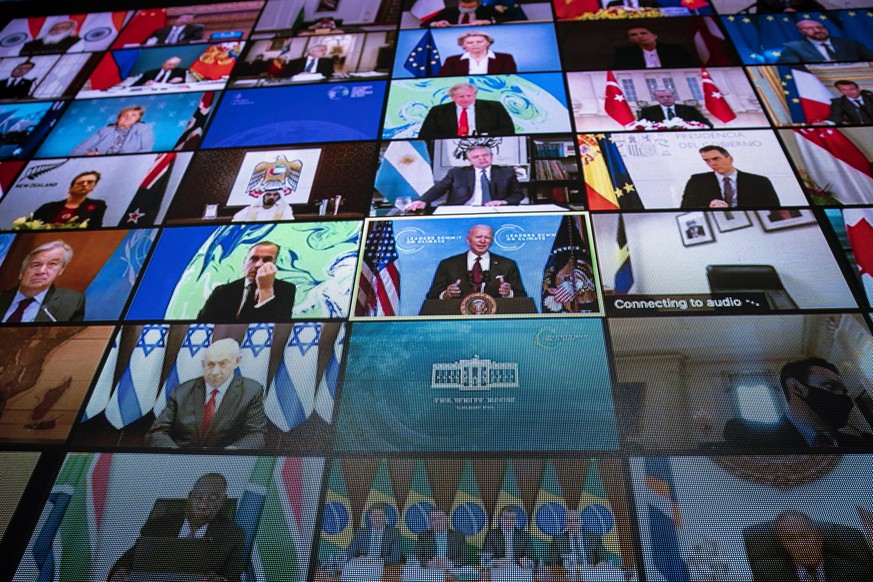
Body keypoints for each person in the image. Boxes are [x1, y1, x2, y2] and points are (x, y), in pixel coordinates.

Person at [107, 473, 245, 582]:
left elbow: (233, 577)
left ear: (223, 501)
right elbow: (128, 561)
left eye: (213, 499)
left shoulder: (232, 535)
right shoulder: (158, 526)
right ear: (190, 497)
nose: (203, 505)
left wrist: (221, 580)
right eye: (198, 497)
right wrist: (121, 572)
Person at [723, 357, 873, 449]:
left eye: (845, 391)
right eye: (830, 386)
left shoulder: (863, 445)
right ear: (796, 388)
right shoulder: (754, 438)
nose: (844, 398)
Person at [144, 338, 267, 449]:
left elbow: (257, 435)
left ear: (237, 361)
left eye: (223, 363)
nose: (215, 372)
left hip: (224, 465)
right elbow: (156, 432)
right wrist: (178, 455)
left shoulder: (251, 391)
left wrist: (227, 454)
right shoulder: (182, 391)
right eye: (210, 364)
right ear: (203, 364)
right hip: (179, 463)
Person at [756, 510, 873, 581]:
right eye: (791, 539)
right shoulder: (769, 576)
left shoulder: (856, 573)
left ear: (819, 537)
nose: (801, 546)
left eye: (805, 536)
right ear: (783, 545)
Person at [197, 241, 296, 322]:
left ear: (275, 265)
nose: (258, 265)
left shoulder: (286, 290)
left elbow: (277, 327)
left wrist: (265, 290)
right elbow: (201, 324)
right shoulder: (222, 291)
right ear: (244, 262)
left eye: (267, 260)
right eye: (254, 259)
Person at [426, 224, 527, 300]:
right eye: (478, 237)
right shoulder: (448, 265)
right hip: (459, 321)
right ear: (468, 240)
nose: (482, 241)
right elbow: (432, 296)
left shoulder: (507, 265)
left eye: (487, 237)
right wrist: (446, 294)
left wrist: (509, 294)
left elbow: (522, 297)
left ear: (491, 241)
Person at [406, 146, 523, 211]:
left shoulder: (506, 172)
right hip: (463, 210)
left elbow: (518, 195)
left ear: (491, 157)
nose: (481, 159)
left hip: (493, 210)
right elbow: (439, 188)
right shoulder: (457, 173)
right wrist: (423, 200)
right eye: (476, 157)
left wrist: (502, 202)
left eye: (485, 155)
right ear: (470, 161)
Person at [0, 240, 85, 323]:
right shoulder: (2, 297)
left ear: (61, 270)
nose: (41, 271)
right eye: (36, 264)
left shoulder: (72, 303)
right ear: (22, 271)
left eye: (52, 264)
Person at [681, 146, 779, 208]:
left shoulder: (759, 181)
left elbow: (774, 207)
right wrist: (709, 207)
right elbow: (685, 207)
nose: (712, 163)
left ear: (730, 159)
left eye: (716, 159)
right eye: (707, 160)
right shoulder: (697, 181)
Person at [418, 82, 515, 139]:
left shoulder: (494, 107)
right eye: (461, 96)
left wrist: (485, 135)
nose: (466, 99)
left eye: (469, 96)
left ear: (475, 95)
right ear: (452, 97)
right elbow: (425, 134)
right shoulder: (438, 111)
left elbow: (508, 130)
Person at [26, 171, 106, 228]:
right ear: (70, 188)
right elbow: (27, 225)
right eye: (80, 182)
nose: (84, 185)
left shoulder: (98, 205)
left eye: (89, 182)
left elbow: (95, 226)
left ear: (93, 187)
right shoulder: (48, 206)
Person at [777, 20, 873, 64]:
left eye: (820, 27)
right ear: (801, 32)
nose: (817, 30)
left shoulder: (850, 44)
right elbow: (790, 68)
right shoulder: (793, 47)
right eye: (810, 28)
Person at [71, 105, 155, 156]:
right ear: (118, 118)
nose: (128, 117)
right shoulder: (105, 130)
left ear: (138, 120)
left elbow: (146, 151)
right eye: (124, 115)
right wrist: (88, 154)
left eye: (133, 115)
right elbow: (77, 151)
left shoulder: (143, 129)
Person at [612, 27, 697, 69]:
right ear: (630, 39)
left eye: (643, 33)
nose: (640, 36)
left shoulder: (675, 49)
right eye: (634, 35)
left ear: (654, 35)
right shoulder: (624, 54)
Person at [438, 31, 517, 76]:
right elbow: (445, 79)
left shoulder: (505, 58)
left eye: (479, 42)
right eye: (470, 42)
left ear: (488, 43)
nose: (475, 45)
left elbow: (510, 78)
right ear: (463, 45)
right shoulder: (452, 60)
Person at [637, 89, 713, 128]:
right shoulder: (648, 111)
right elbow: (639, 126)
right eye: (661, 97)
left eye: (668, 96)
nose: (666, 99)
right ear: (656, 99)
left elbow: (707, 124)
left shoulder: (689, 109)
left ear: (674, 97)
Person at [422, 0, 502, 28]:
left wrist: (489, 22)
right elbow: (424, 24)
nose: (466, 9)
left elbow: (508, 18)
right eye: (463, 7)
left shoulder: (487, 9)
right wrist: (436, 24)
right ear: (459, 3)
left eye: (470, 8)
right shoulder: (448, 11)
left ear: (477, 4)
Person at [755, 0, 824, 12]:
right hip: (777, 25)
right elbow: (761, 13)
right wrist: (782, 12)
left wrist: (797, 12)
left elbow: (819, 9)